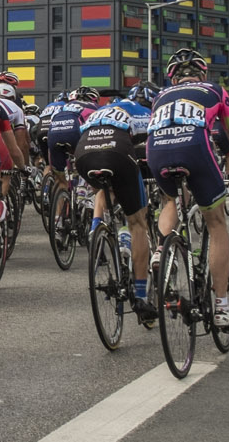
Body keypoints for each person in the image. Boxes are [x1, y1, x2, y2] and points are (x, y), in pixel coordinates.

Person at [146, 49, 229, 327]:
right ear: (202, 74)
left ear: (173, 79)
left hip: (157, 150)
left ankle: (162, 250)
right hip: (194, 147)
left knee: (170, 200)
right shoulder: (216, 91)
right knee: (217, 221)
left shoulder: (160, 96)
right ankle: (221, 307)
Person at [74, 84, 158, 322]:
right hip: (117, 151)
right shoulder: (145, 112)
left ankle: (97, 230)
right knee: (138, 222)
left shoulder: (104, 109)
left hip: (84, 153)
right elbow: (153, 150)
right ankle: (141, 296)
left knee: (105, 185)